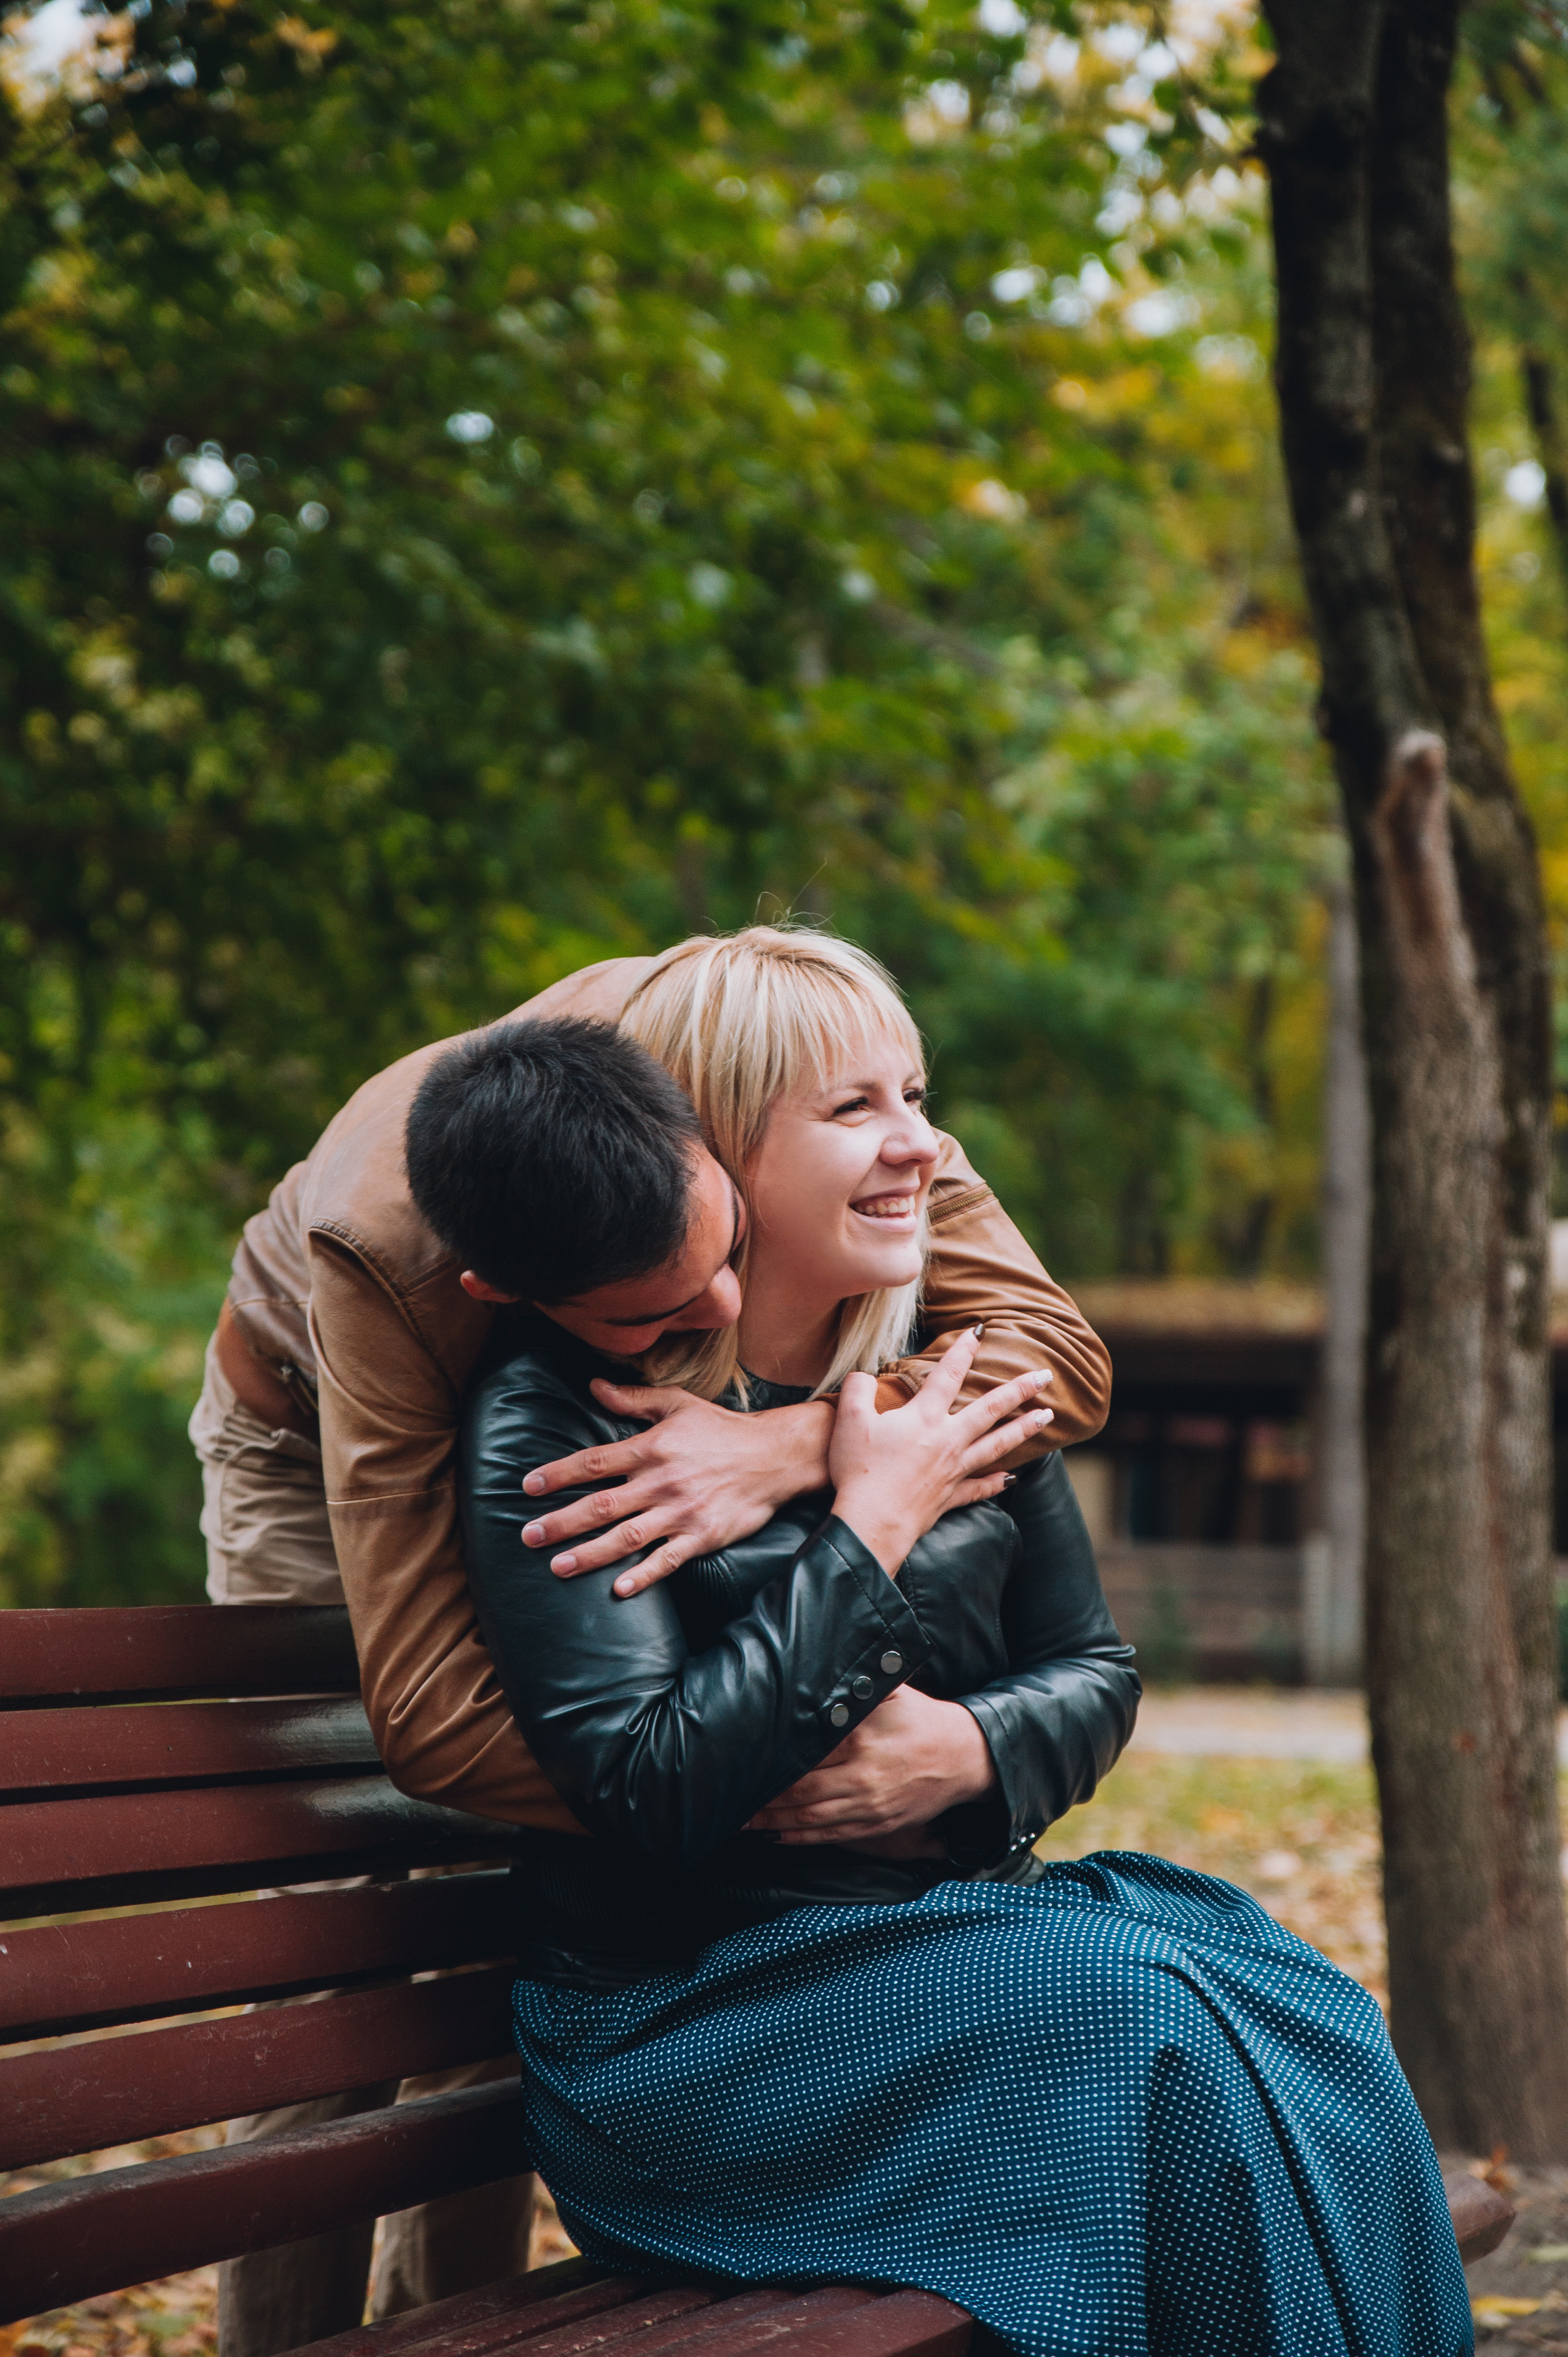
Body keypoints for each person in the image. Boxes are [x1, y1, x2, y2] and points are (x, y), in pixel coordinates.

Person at [438, 928, 1470, 2357]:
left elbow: (1096, 1674)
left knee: (1306, 2005)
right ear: (721, 1151)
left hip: (952, 1941)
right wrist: (871, 1522)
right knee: (1146, 2029)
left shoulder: (952, 1368)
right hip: (695, 2026)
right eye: (855, 1109)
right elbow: (651, 1785)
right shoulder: (560, 1420)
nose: (922, 1146)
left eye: (915, 1096)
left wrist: (967, 1750)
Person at [188, 950, 1113, 2355]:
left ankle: (440, 2320)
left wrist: (787, 1441)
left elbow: (1060, 1354)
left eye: (726, 1260)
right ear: (517, 1293)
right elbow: (438, 1728)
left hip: (623, 1407)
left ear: (725, 1154)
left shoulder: (811, 1071)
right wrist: (741, 1780)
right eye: (660, 1314)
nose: (727, 1323)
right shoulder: (394, 1261)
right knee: (364, 1926)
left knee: (524, 1905)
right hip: (313, 1434)